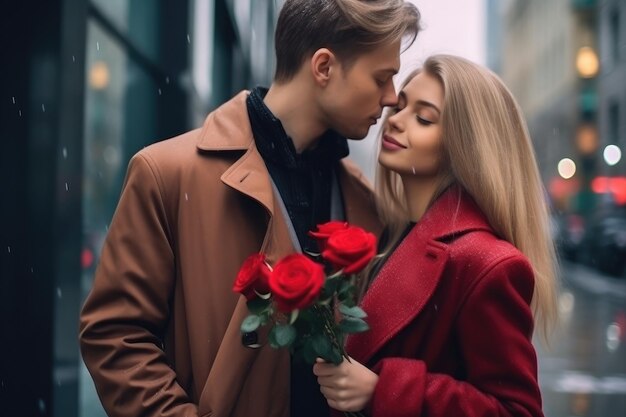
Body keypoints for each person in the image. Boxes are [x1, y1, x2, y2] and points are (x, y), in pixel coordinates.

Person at [78, 1, 421, 417]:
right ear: (324, 67)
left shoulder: (366, 203)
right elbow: (115, 337)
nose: (391, 97)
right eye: (381, 77)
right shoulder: (165, 173)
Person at [314, 54, 559, 417]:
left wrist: (385, 390)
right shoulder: (385, 235)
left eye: (424, 118)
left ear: (466, 144)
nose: (394, 121)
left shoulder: (487, 263)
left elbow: (516, 410)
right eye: (399, 107)